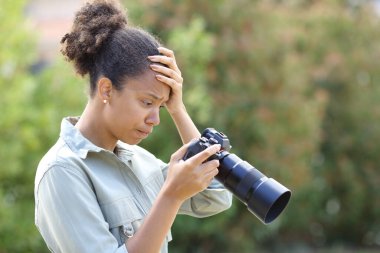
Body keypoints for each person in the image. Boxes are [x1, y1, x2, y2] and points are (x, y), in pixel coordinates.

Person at [34, 0, 232, 253]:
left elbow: (215, 194)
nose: (155, 119)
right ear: (106, 89)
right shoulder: (62, 171)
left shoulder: (138, 160)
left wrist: (177, 109)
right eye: (147, 102)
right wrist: (170, 196)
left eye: (160, 107)